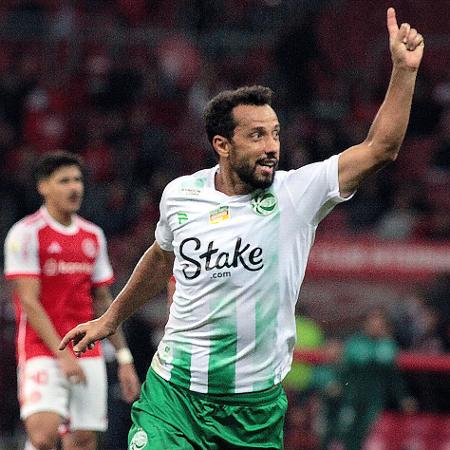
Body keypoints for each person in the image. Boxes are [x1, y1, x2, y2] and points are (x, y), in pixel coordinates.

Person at [59, 8, 424, 450]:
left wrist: (403, 72)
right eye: (256, 136)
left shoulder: (297, 194)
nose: (272, 147)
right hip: (173, 395)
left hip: (252, 411)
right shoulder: (180, 194)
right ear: (222, 145)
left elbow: (380, 149)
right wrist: (110, 318)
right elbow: (161, 255)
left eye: (275, 134)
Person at [4, 151, 140, 450]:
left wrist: (124, 358)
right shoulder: (25, 234)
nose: (74, 187)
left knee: (83, 440)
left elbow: (104, 302)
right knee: (43, 436)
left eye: (77, 180)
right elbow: (29, 302)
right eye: (64, 181)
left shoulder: (93, 236)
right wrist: (62, 355)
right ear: (44, 187)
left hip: (87, 349)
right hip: (41, 348)